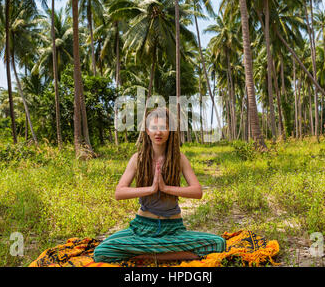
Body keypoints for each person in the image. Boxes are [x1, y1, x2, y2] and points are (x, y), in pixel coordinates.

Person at [93, 107, 226, 263]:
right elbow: (119, 193)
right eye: (154, 127)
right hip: (142, 228)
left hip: (172, 228)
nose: (158, 132)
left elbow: (197, 192)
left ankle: (145, 256)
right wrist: (151, 189)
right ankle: (171, 254)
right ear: (147, 131)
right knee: (102, 251)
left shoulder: (179, 158)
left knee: (218, 243)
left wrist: (165, 188)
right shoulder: (138, 159)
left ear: (170, 131)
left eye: (163, 127)